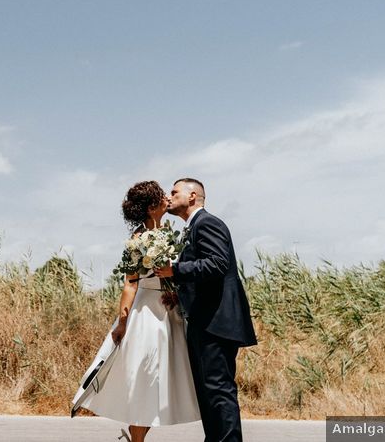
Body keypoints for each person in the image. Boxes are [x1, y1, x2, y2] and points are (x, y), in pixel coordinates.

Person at [72, 181, 200, 442]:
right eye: (161, 195)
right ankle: (136, 438)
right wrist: (122, 322)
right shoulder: (138, 239)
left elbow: (172, 272)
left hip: (168, 313)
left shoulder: (166, 231)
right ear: (152, 206)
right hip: (146, 314)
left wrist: (173, 290)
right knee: (145, 378)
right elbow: (130, 282)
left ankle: (136, 436)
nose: (167, 197)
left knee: (161, 381)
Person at [155, 178, 257, 442]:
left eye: (174, 191)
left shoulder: (207, 223)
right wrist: (180, 295)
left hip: (217, 323)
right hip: (203, 322)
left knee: (219, 391)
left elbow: (217, 264)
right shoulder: (192, 228)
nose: (170, 195)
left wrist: (174, 270)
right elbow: (206, 274)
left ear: (192, 196)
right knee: (207, 393)